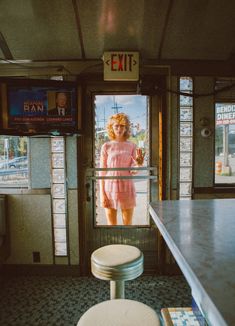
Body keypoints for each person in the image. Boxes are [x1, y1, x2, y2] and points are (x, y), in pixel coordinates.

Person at [99, 112, 145, 226]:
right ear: (111, 128)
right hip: (109, 189)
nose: (119, 129)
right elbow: (102, 172)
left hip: (127, 188)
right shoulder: (106, 146)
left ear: (126, 128)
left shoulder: (132, 146)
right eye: (116, 126)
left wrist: (138, 164)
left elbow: (133, 171)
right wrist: (102, 194)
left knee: (128, 224)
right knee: (111, 225)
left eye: (122, 126)